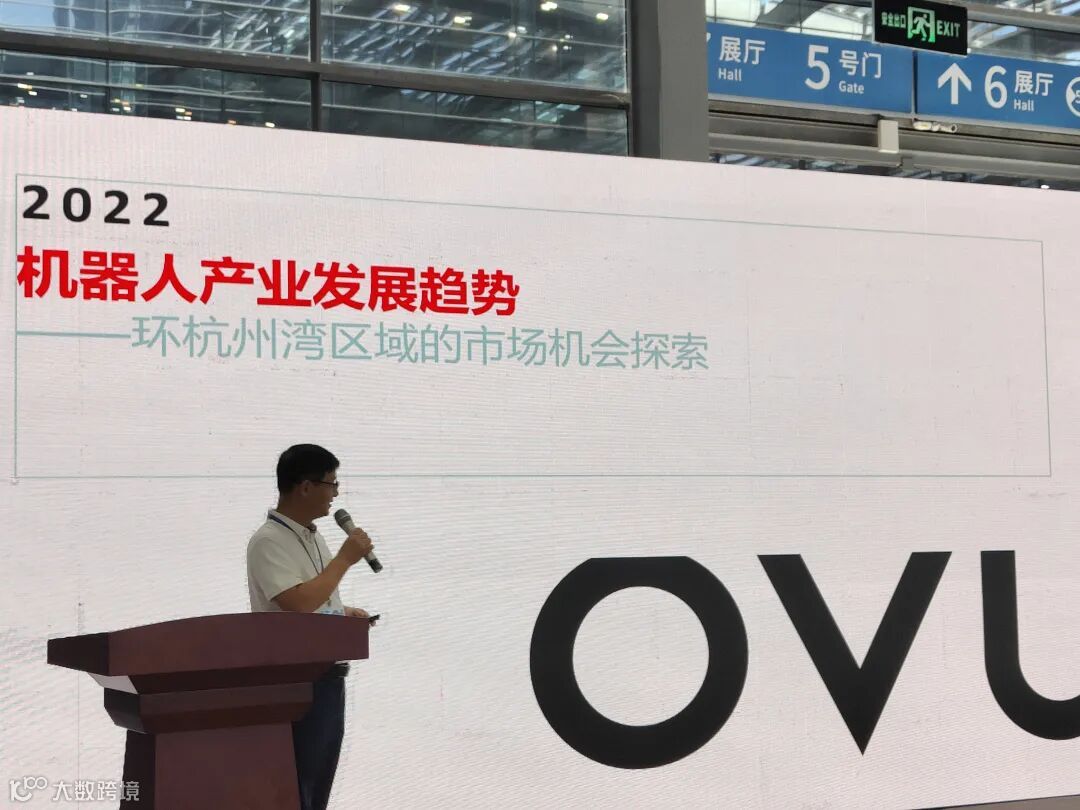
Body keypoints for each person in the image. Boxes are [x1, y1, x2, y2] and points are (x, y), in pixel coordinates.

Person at [246, 443, 376, 810]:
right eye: (332, 484)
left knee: (317, 784)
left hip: (326, 674)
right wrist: (345, 559)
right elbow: (298, 603)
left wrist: (342, 613)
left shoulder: (312, 535)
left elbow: (314, 599)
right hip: (293, 680)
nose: (336, 494)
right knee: (296, 784)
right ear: (306, 486)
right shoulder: (268, 540)